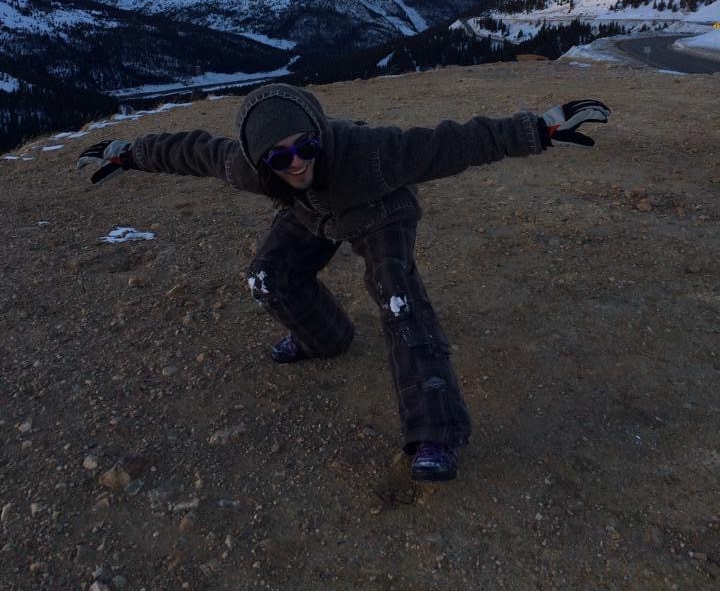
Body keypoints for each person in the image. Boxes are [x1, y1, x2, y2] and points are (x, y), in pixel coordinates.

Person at [76, 84, 610, 482]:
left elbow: (454, 143)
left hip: (381, 211)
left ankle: (436, 434)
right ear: (261, 162)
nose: (297, 163)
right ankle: (325, 338)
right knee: (268, 276)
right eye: (280, 157)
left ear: (320, 136)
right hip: (314, 215)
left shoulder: (370, 153)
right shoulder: (248, 167)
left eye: (306, 146)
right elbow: (189, 150)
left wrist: (539, 128)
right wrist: (128, 153)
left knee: (399, 302)